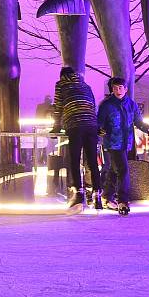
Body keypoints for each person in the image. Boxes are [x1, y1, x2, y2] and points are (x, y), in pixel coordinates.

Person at [97, 77, 149, 216]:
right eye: (115, 88)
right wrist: (100, 130)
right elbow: (99, 122)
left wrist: (147, 128)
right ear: (112, 89)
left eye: (120, 87)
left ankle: (106, 196)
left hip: (126, 142)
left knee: (113, 170)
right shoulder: (106, 105)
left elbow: (138, 121)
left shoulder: (132, 104)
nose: (118, 90)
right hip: (112, 142)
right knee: (123, 170)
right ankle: (123, 200)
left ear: (126, 89)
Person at [51, 67, 101, 211]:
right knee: (92, 161)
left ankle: (79, 194)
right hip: (91, 125)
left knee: (74, 159)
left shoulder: (61, 84)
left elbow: (58, 107)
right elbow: (93, 106)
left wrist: (56, 127)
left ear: (62, 76)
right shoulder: (86, 86)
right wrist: (95, 125)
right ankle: (97, 195)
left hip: (75, 124)